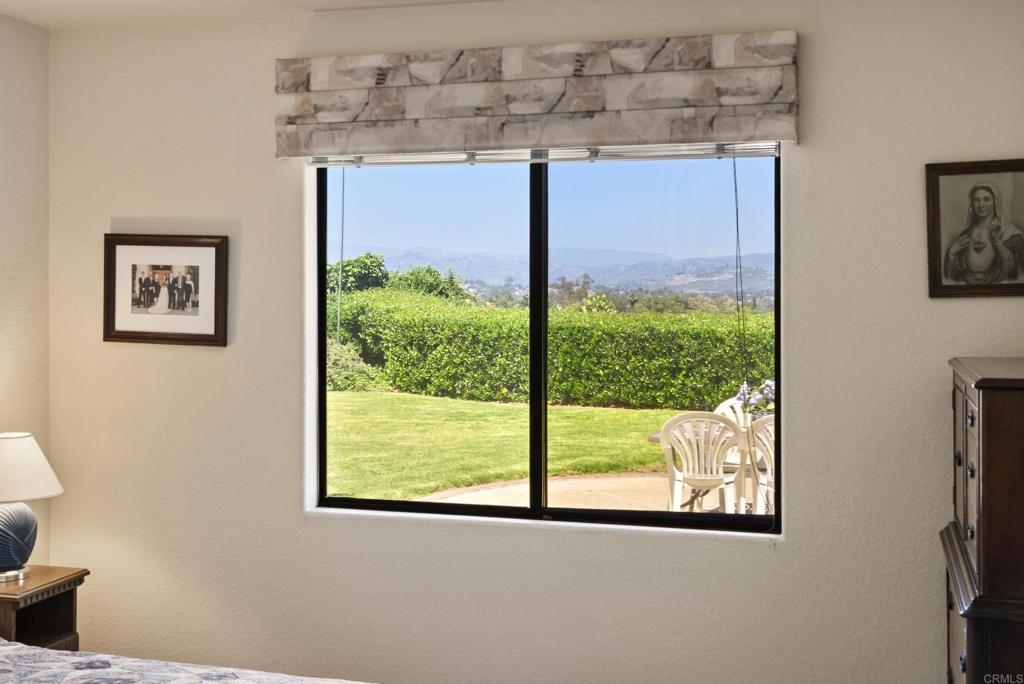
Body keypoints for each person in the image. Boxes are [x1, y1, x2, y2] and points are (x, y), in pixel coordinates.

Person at [944, 181, 1024, 285]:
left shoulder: (1010, 233)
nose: (980, 205)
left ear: (995, 202)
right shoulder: (966, 234)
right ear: (971, 203)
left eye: (986, 199)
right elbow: (952, 277)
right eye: (976, 200)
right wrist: (951, 252)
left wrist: (997, 243)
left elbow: (1015, 271)